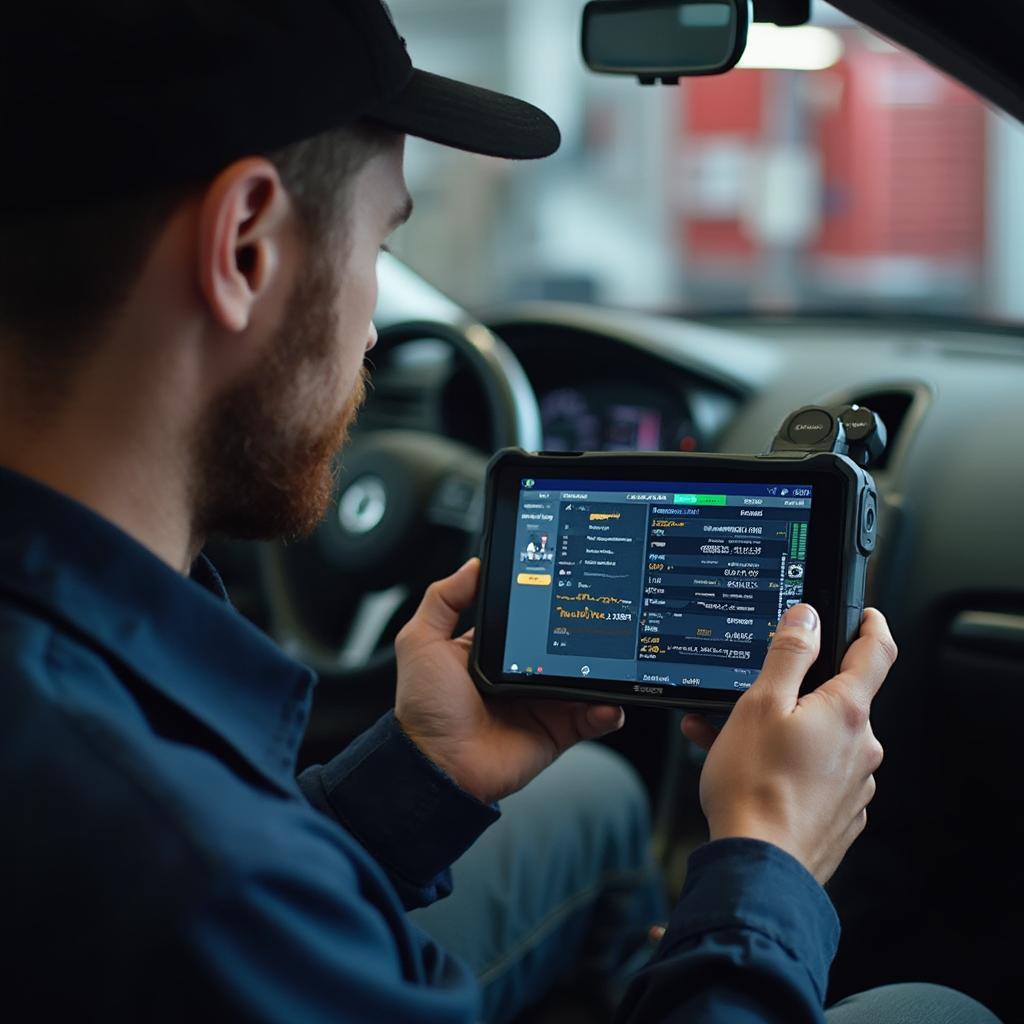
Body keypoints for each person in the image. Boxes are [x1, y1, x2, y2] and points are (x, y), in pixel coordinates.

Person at [0, 2, 1001, 1023]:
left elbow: (254, 878)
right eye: (379, 246)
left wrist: (421, 779)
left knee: (599, 801)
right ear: (246, 246)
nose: (375, 334)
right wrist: (767, 859)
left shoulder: (115, 756)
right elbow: (228, 886)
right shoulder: (198, 875)